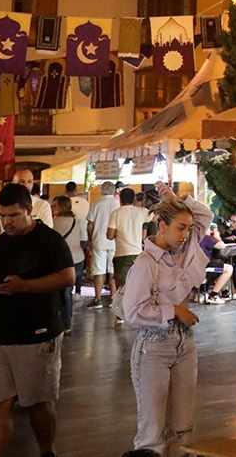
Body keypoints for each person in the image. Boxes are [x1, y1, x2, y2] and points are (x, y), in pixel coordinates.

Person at [0, 183, 76, 457]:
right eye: (2, 216)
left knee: (38, 403)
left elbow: (68, 276)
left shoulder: (49, 240)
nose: (6, 221)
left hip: (38, 332)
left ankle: (47, 451)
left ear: (29, 211)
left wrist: (25, 286)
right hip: (0, 334)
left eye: (13, 215)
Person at [123, 187, 213, 457]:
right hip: (153, 347)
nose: (186, 234)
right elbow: (133, 310)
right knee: (152, 431)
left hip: (185, 344)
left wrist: (175, 199)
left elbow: (204, 215)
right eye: (180, 228)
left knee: (184, 427)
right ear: (162, 226)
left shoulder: (184, 253)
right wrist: (173, 310)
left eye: (188, 229)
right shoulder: (145, 262)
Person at [108, 187, 151, 324]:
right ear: (133, 199)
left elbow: (109, 235)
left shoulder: (116, 213)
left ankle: (120, 315)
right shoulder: (142, 212)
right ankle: (139, 312)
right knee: (138, 284)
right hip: (138, 253)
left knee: (122, 285)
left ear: (120, 199)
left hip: (122, 253)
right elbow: (153, 215)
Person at [85, 182, 119, 308]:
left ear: (101, 191)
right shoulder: (118, 203)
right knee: (112, 270)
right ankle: (113, 299)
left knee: (99, 271)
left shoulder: (96, 204)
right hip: (115, 242)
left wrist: (90, 240)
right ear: (114, 191)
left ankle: (97, 299)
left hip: (99, 240)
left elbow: (90, 225)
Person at [52, 195, 88, 305]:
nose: (52, 208)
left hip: (64, 261)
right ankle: (69, 315)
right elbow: (83, 238)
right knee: (68, 292)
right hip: (78, 258)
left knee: (63, 294)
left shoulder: (53, 222)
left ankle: (65, 318)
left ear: (61, 207)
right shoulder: (76, 221)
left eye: (54, 206)